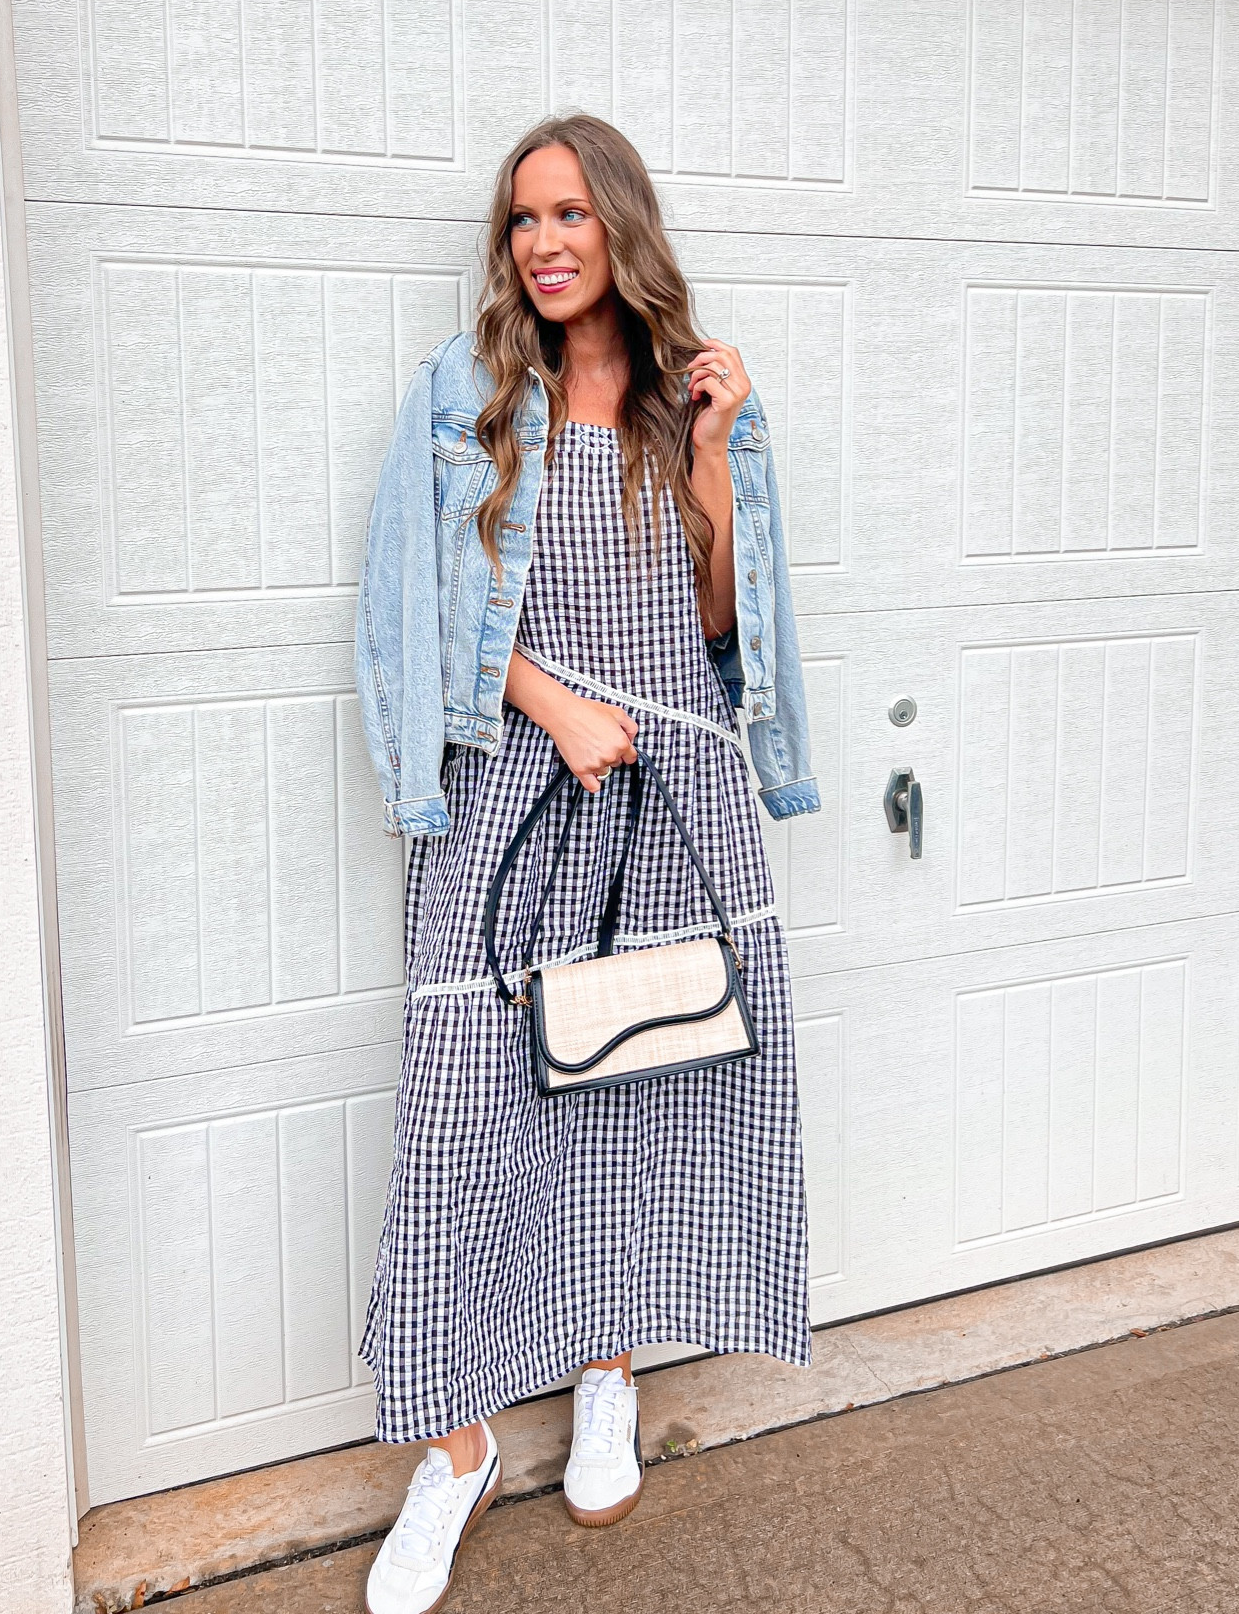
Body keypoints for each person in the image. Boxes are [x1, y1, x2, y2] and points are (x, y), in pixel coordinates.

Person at [355, 113, 820, 1614]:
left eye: (569, 213)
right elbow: (423, 604)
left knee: (633, 1092)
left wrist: (717, 453)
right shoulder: (470, 390)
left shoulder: (699, 395)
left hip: (671, 792)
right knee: (461, 1118)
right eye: (522, 219)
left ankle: (607, 1373)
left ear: (622, 223)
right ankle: (454, 1446)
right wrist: (554, 708)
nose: (544, 243)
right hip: (515, 788)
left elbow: (726, 619)